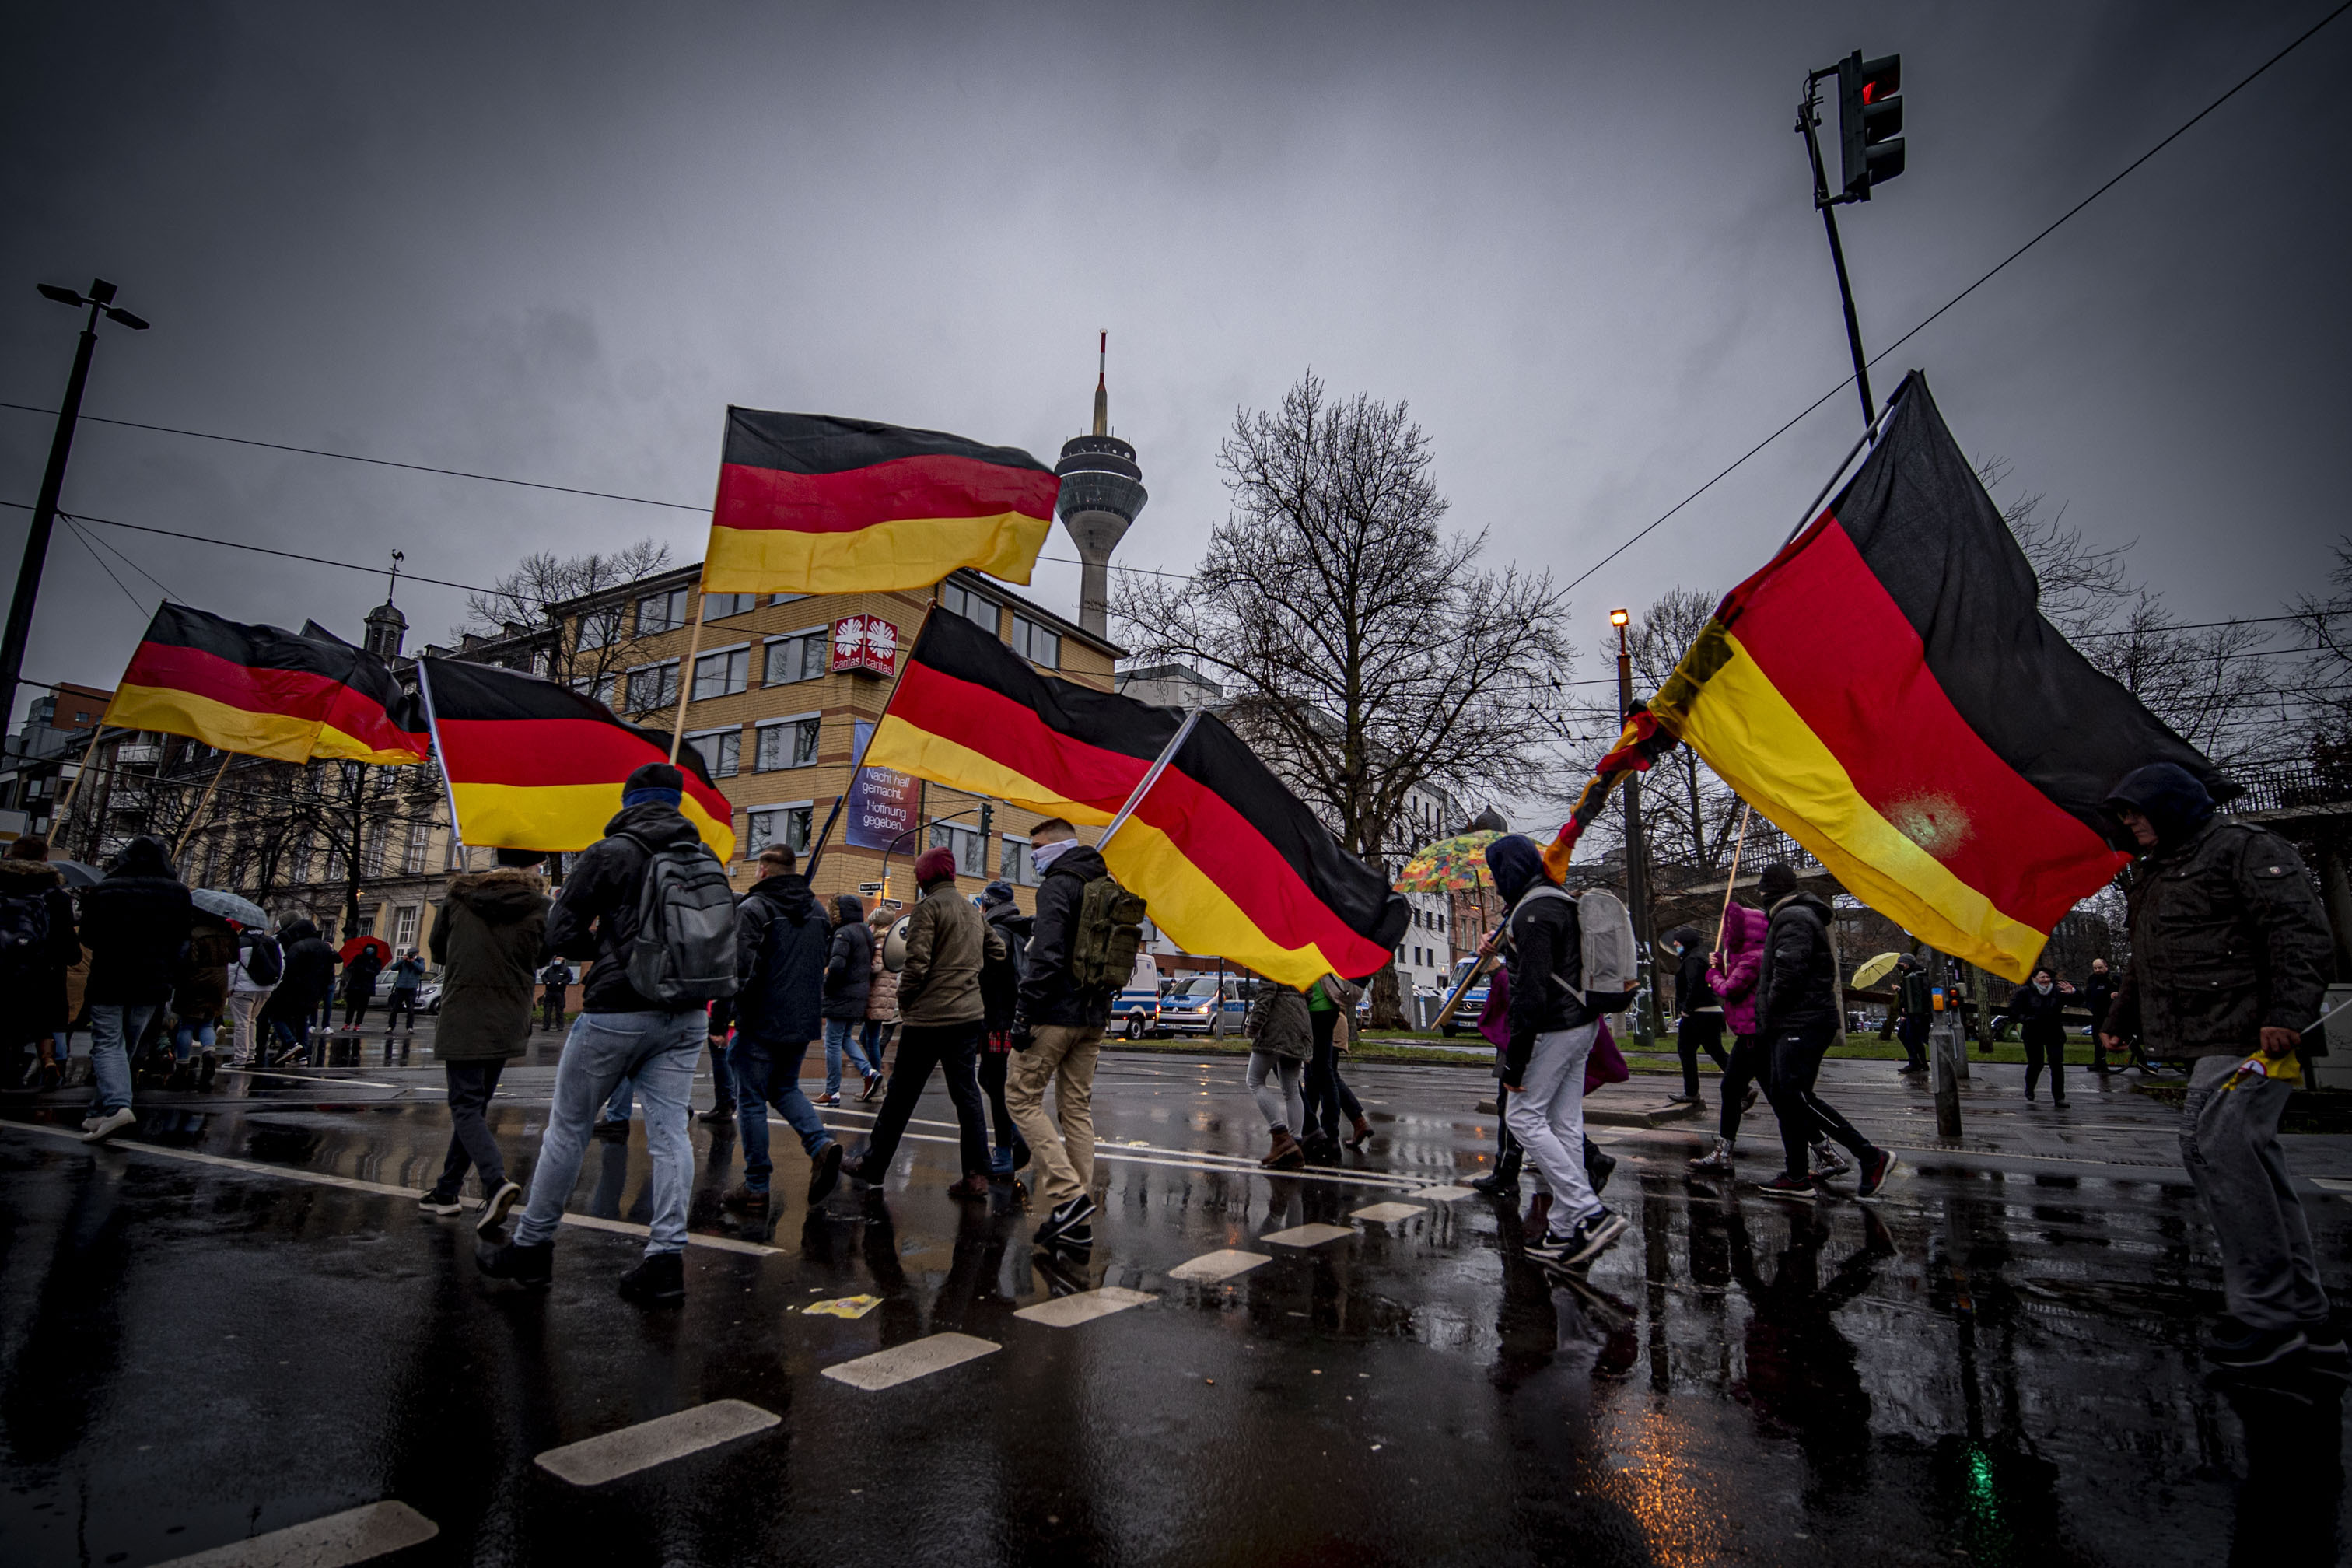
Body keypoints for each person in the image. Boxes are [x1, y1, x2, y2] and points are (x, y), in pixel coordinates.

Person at [2099, 761, 2336, 1370]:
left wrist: (2287, 1012)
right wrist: (2120, 1020)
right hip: (2208, 1036)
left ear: (2173, 805)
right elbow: (2147, 955)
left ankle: (2267, 1316)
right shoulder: (2157, 872)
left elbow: (2298, 933)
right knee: (2246, 1160)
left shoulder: (2245, 850)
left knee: (2215, 1150)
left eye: (2136, 810)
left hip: (2251, 1037)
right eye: (2123, 814)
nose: (2129, 822)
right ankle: (2305, 1315)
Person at [478, 762, 737, 1306]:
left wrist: (613, 951)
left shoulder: (610, 853)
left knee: (569, 1129)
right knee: (670, 1135)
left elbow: (561, 934)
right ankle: (666, 1258)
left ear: (628, 802)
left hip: (617, 1010)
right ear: (676, 805)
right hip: (686, 1011)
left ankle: (532, 1247)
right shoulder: (704, 857)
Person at [1486, 832, 1626, 1269]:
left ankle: (1588, 1211)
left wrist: (1516, 1057)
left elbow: (1530, 992)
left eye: (1496, 873)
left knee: (1523, 1116)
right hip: (1583, 1023)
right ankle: (1566, 1227)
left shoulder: (1530, 914)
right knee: (1564, 1124)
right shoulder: (1560, 900)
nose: (1494, 883)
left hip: (1553, 1028)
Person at [842, 846, 998, 1199]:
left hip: (929, 1017)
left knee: (901, 1095)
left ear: (924, 877)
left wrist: (906, 1000)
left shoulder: (929, 908)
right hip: (968, 1016)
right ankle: (976, 1175)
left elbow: (917, 963)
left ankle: (874, 1164)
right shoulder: (974, 913)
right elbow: (998, 951)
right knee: (967, 1095)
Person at [417, 847, 548, 1230]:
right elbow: (544, 955)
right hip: (510, 1013)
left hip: (465, 1011)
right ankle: (446, 1190)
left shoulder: (459, 897)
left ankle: (495, 1183)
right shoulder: (539, 905)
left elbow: (438, 949)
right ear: (532, 866)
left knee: (465, 1105)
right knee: (474, 1105)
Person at [1006, 818, 1118, 1248]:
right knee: (1076, 1110)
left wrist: (1024, 1012)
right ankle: (1078, 1219)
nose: (1032, 854)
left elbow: (1047, 957)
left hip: (1053, 1013)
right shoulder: (1102, 884)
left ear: (1056, 844)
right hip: (1094, 1016)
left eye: (1035, 846)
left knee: (1020, 1097)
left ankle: (1069, 1200)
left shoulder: (1058, 884)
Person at [1752, 863, 1895, 1199]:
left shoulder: (1792, 918)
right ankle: (1796, 1175)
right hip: (1796, 1020)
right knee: (1786, 1098)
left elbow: (1788, 972)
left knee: (1793, 1095)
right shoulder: (1796, 916)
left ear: (1767, 892)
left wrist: (1770, 1010)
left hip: (1800, 1021)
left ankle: (1870, 1155)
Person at [720, 843, 845, 1216]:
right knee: (785, 1088)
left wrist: (720, 1018)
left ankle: (757, 1184)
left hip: (761, 1018)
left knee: (752, 1099)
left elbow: (739, 969)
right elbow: (819, 963)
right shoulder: (819, 912)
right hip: (802, 1019)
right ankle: (819, 1144)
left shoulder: (754, 909)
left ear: (762, 872)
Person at [76, 835, 192, 1143]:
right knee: (126, 1045)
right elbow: (183, 942)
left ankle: (115, 1106)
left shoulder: (105, 890)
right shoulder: (178, 893)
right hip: (152, 980)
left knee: (106, 1043)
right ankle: (100, 1110)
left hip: (110, 976)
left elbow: (88, 936)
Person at [1689, 899, 1769, 1174]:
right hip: (1752, 1033)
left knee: (1734, 1089)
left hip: (1751, 1034)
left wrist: (1713, 975)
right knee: (1775, 1095)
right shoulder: (1756, 956)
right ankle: (1822, 1149)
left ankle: (1724, 1152)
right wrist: (1722, 968)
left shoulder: (1751, 958)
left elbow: (1730, 990)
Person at [0, 836, 78, 1093]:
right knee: (37, 1029)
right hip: (40, 979)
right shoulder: (57, 896)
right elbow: (68, 947)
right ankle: (46, 1061)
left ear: (10, 855)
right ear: (46, 859)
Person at [976, 880, 1031, 1176]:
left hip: (997, 1017)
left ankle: (1006, 1148)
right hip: (1013, 1017)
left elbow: (988, 975)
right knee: (994, 1079)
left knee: (994, 1082)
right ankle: (1009, 1141)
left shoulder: (996, 931)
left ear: (987, 906)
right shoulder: (1020, 927)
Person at [167, 904, 238, 1090]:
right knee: (208, 1022)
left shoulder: (195, 932)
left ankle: (182, 1065)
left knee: (187, 1024)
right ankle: (209, 1054)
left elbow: (190, 960)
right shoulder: (227, 932)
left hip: (195, 980)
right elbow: (234, 958)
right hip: (219, 981)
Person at [821, 891, 881, 1105]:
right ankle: (870, 1073)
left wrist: (825, 986)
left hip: (841, 995)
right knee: (845, 1038)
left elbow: (837, 965)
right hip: (858, 994)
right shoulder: (865, 932)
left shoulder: (843, 934)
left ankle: (832, 1092)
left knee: (832, 1042)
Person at [1244, 978, 1312, 1169]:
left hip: (1277, 1025)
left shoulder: (1273, 959)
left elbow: (1265, 995)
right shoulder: (1301, 959)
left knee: (1255, 1080)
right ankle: (1295, 1146)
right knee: (1291, 1089)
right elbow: (1310, 993)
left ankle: (1281, 1135)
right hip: (1300, 1024)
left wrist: (1254, 1026)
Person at [1300, 974, 1368, 1159]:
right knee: (1318, 1075)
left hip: (1316, 1010)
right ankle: (1314, 1130)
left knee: (1323, 1075)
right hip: (1330, 1010)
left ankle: (1325, 1133)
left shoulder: (1312, 947)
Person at [1668, 925, 1727, 1107]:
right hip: (1710, 1012)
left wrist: (1687, 1007)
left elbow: (1695, 985)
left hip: (1698, 1014)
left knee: (1686, 1051)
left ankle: (1692, 1092)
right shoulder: (1698, 958)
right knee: (1716, 1051)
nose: (1675, 943)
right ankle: (1742, 1087)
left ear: (1685, 943)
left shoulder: (1692, 961)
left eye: (1677, 941)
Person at [264, 917, 336, 1066]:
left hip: (294, 989)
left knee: (276, 1015)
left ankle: (292, 1043)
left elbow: (288, 969)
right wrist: (321, 991)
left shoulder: (298, 947)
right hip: (314, 991)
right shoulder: (325, 948)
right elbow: (329, 972)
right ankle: (302, 1054)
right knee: (303, 1019)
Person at [2009, 966, 2074, 1105]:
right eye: (2042, 977)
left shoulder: (2057, 992)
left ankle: (2059, 1097)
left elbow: (2078, 1001)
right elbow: (2014, 1011)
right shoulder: (2025, 992)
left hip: (2054, 1032)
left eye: (2047, 977)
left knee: (2056, 1064)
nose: (2045, 980)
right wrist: (2026, 1019)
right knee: (2036, 1064)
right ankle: (2030, 1089)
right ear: (2034, 979)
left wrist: (2073, 992)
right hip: (2033, 1033)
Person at [226, 919, 280, 1068]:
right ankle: (251, 1054)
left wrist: (229, 988)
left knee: (242, 1023)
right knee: (252, 1021)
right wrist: (273, 985)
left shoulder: (241, 942)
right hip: (265, 989)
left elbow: (232, 967)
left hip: (243, 988)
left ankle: (240, 1058)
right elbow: (280, 966)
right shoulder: (272, 942)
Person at [861, 903, 900, 1086]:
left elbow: (876, 967)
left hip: (878, 995)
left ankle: (875, 1082)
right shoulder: (890, 939)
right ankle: (875, 1080)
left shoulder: (880, 940)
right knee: (867, 1038)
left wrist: (861, 963)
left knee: (871, 1039)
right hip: (883, 995)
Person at [1891, 952, 1932, 1075]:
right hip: (1914, 1013)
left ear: (1907, 964)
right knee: (1911, 1036)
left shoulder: (1914, 976)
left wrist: (1906, 1006)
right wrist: (1900, 990)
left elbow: (1917, 994)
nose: (1899, 966)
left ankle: (1915, 1062)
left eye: (1901, 964)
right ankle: (1920, 1062)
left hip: (1915, 1014)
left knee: (1908, 1035)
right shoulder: (1915, 975)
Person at [698, 997, 737, 1125]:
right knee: (722, 1054)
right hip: (730, 1011)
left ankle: (725, 1102)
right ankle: (726, 1101)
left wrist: (718, 1024)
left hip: (721, 1011)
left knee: (720, 1054)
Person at [2081, 956, 2118, 1076]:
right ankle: (2099, 1063)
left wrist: (2116, 994)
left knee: (2118, 1037)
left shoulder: (2113, 978)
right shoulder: (2092, 979)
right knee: (2097, 1039)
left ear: (2106, 966)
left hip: (2110, 1014)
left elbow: (2122, 991)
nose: (2097, 970)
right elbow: (2088, 994)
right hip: (2096, 1013)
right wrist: (2088, 1005)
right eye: (2095, 968)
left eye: (2100, 968)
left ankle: (2141, 1059)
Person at [340, 941, 383, 1034]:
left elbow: (376, 972)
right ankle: (347, 1023)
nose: (370, 951)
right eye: (368, 949)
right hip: (355, 985)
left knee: (362, 1007)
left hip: (366, 987)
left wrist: (366, 970)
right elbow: (349, 967)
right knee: (351, 1006)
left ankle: (357, 1024)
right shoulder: (358, 958)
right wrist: (357, 968)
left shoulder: (376, 960)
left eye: (372, 949)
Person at [383, 948, 426, 1034]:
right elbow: (393, 968)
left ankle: (410, 1027)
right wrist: (402, 960)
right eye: (410, 954)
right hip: (400, 987)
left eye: (414, 954)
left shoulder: (420, 960)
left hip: (411, 988)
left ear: (417, 954)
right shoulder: (403, 962)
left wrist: (413, 961)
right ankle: (390, 1026)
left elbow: (422, 969)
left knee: (410, 1009)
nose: (411, 955)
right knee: (395, 1009)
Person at [538, 957, 569, 1032]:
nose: (557, 961)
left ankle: (560, 1026)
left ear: (563, 961)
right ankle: (546, 1026)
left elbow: (569, 978)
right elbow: (543, 976)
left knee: (559, 1010)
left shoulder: (565, 970)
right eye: (556, 959)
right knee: (547, 1010)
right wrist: (546, 982)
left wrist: (562, 982)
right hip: (549, 992)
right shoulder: (550, 969)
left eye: (559, 959)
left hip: (559, 992)